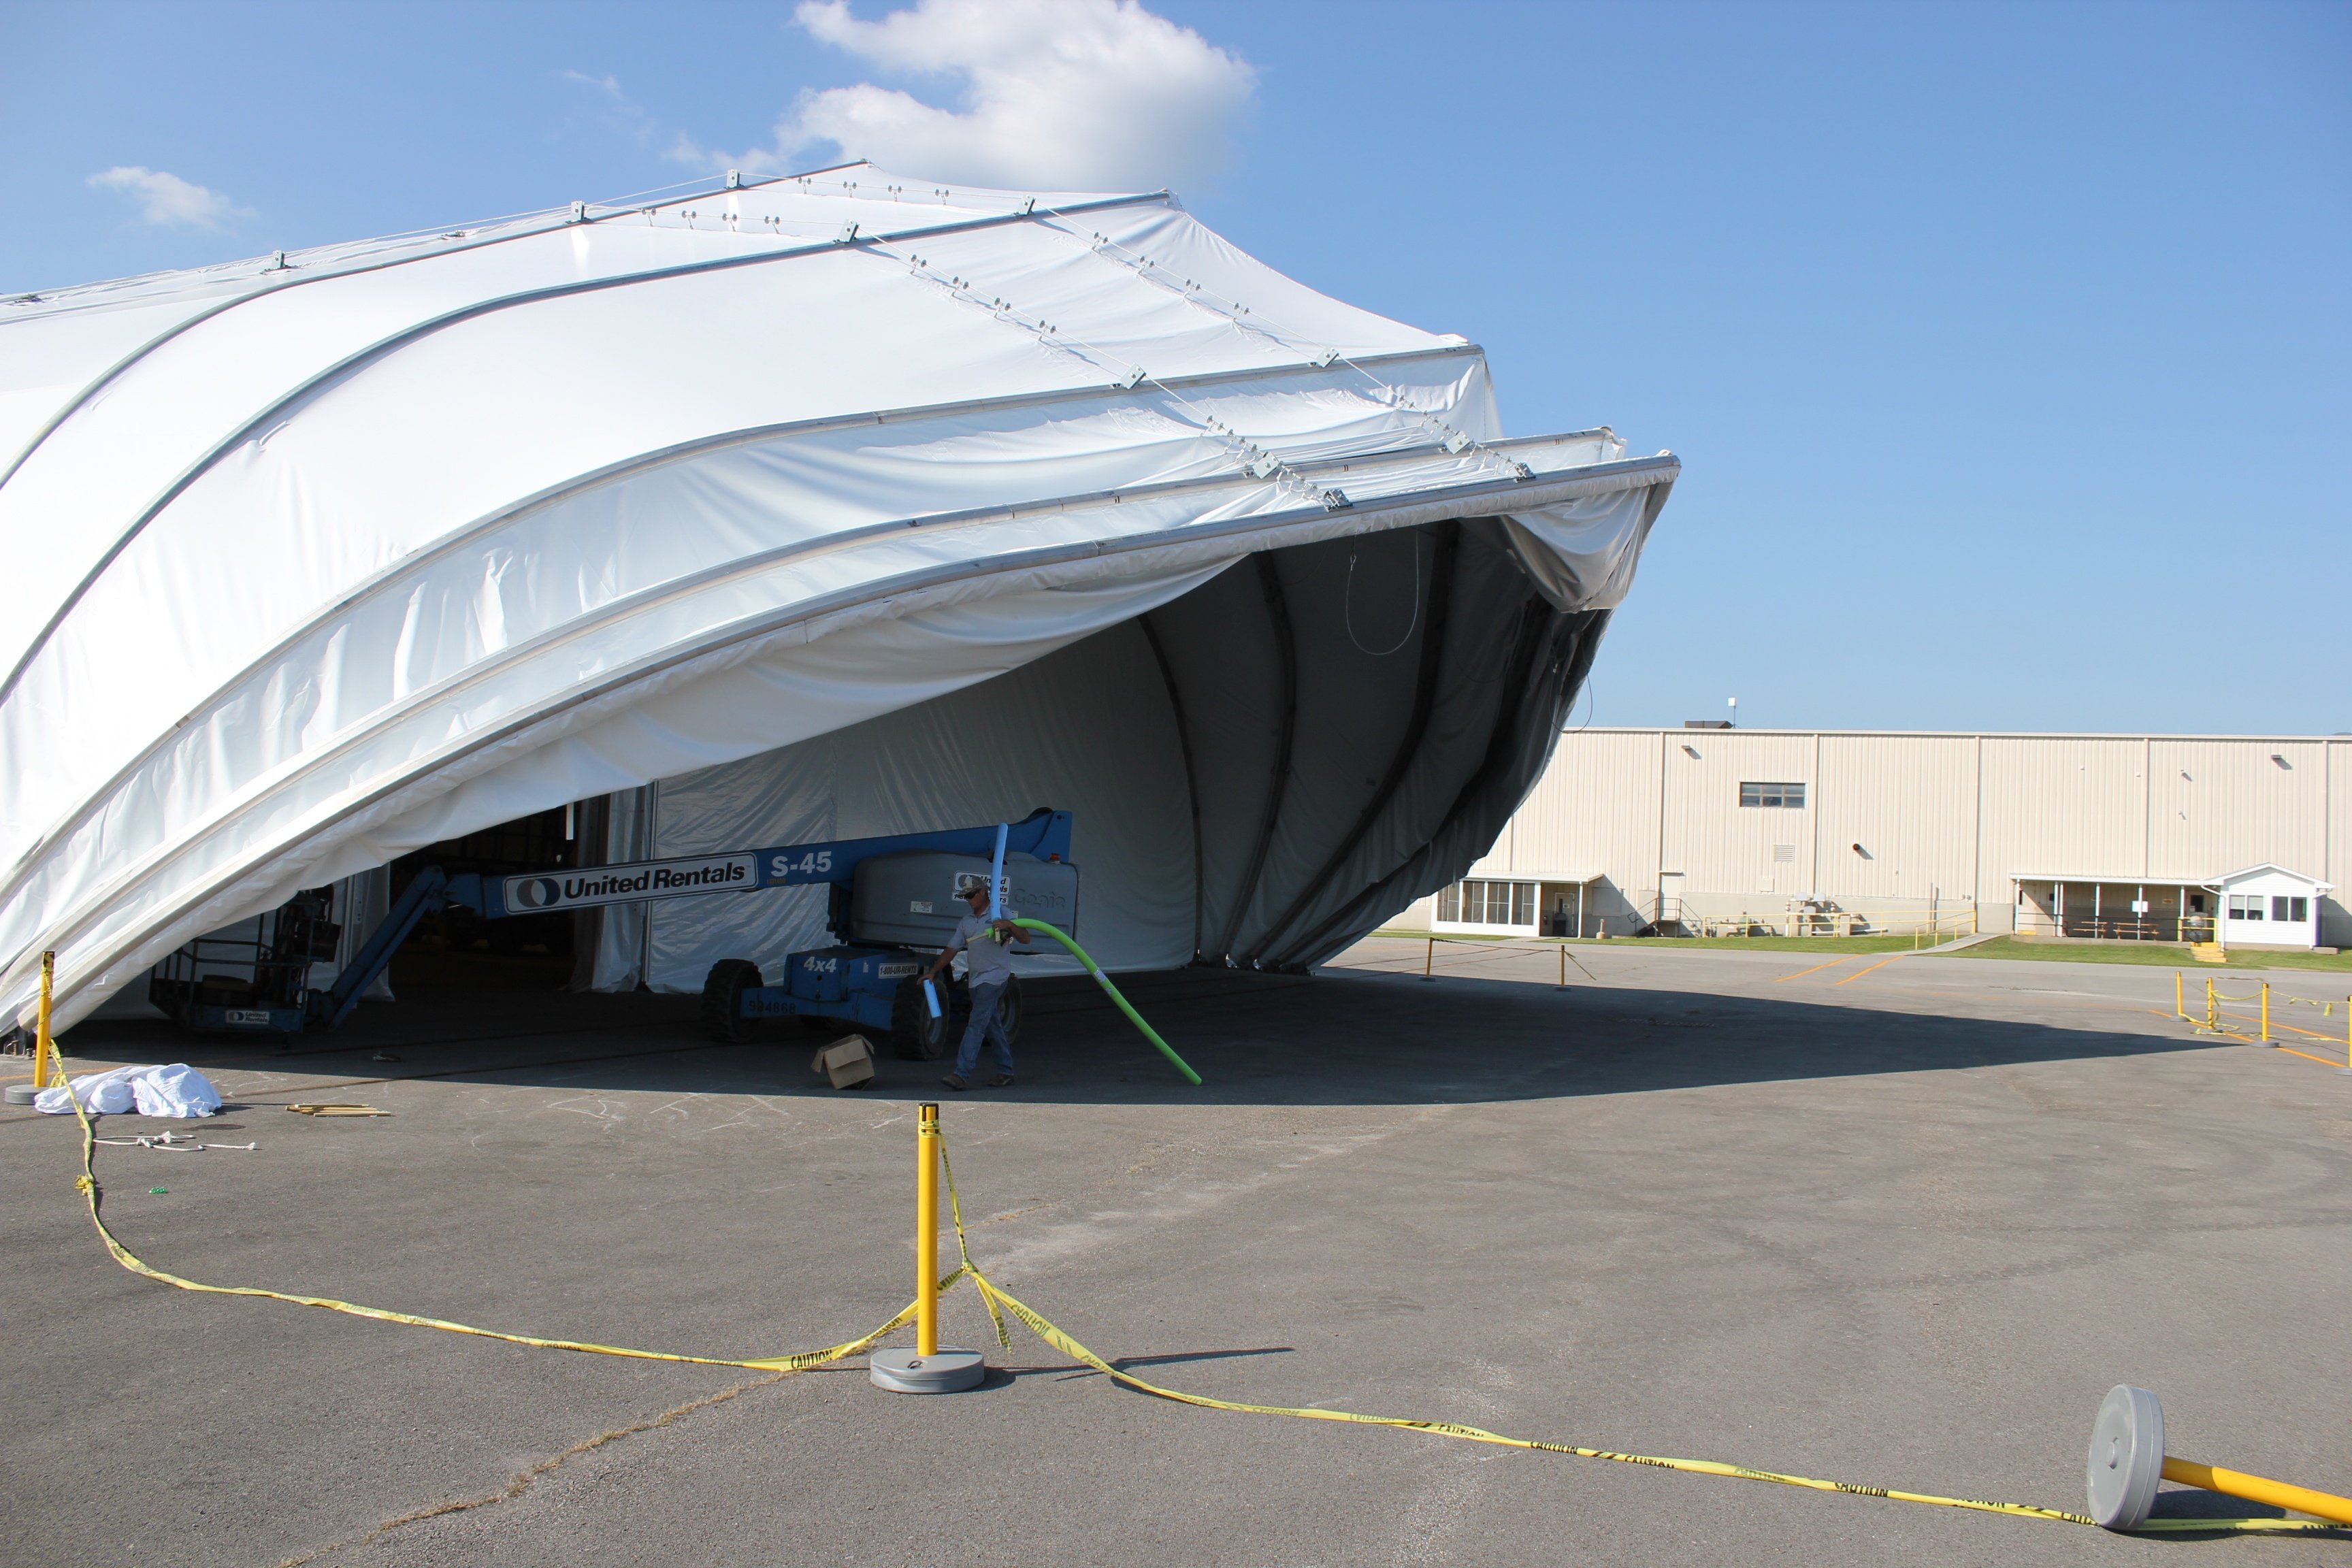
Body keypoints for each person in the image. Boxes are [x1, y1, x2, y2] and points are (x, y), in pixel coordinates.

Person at [924, 879, 1030, 1090]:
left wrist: (1009, 925)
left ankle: (961, 1074)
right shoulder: (966, 922)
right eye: (965, 897)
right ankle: (1005, 1071)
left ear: (983, 892)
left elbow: (1025, 938)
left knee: (975, 1025)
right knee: (993, 1026)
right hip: (976, 981)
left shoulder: (1000, 912)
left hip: (995, 979)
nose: (968, 900)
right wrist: (933, 972)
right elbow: (951, 950)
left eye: (971, 895)